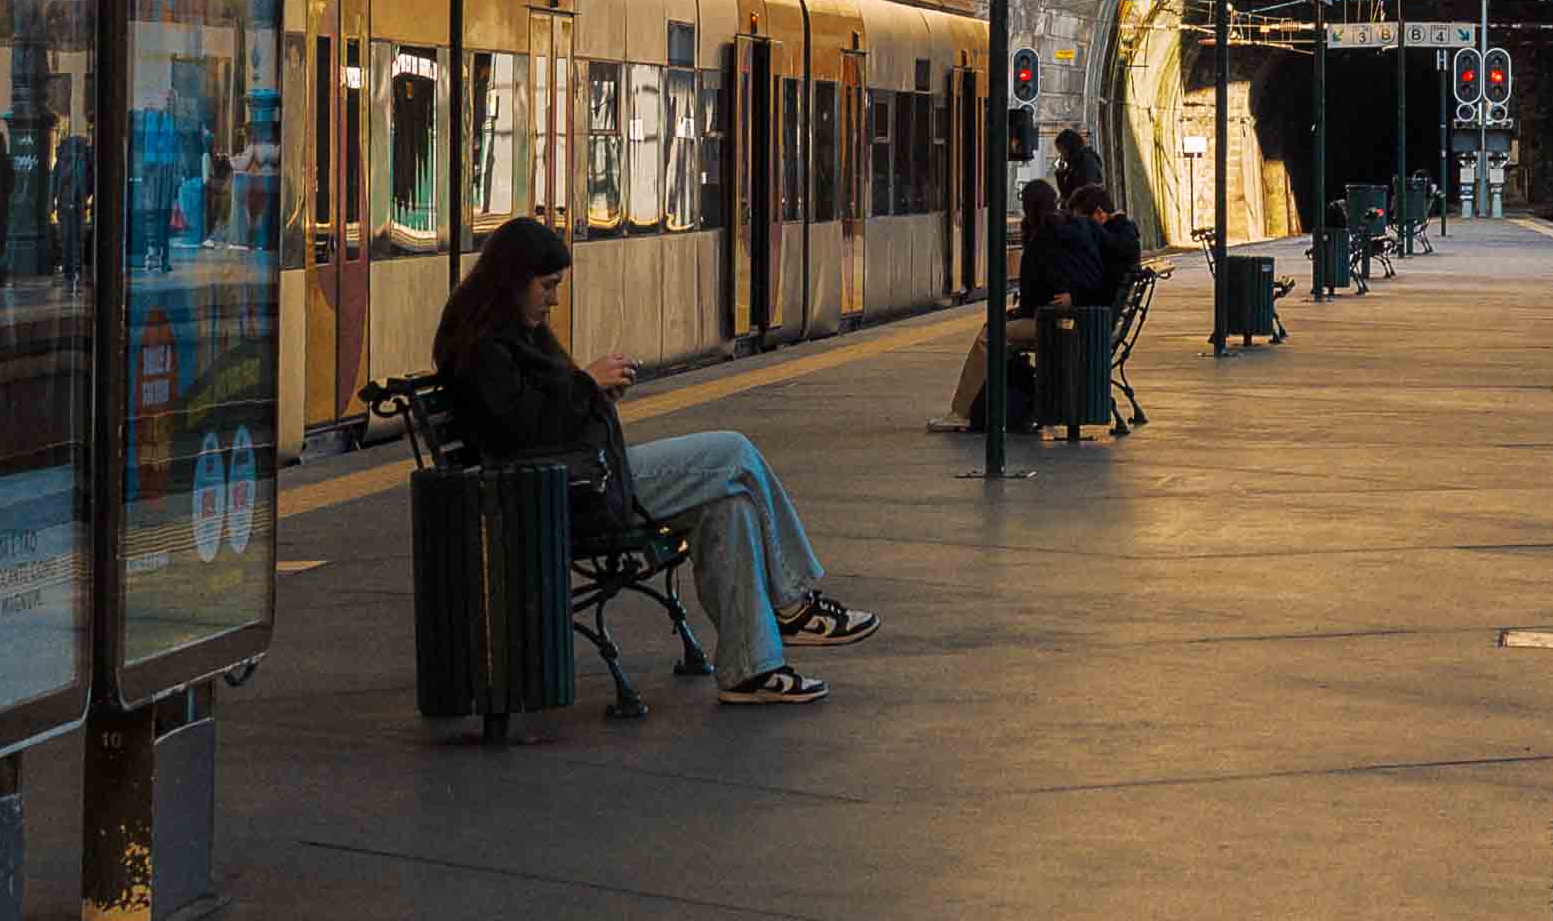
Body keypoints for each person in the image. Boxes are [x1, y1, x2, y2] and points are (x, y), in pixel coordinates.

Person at [436, 219, 876, 706]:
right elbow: (522, 430)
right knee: (733, 453)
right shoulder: (481, 346)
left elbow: (545, 415)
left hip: (579, 478)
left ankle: (751, 671)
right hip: (567, 492)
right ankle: (793, 604)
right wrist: (585, 384)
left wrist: (593, 393)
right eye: (547, 287)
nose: (553, 300)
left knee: (729, 506)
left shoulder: (509, 330)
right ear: (512, 279)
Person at [942, 176, 1099, 430]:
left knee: (989, 336)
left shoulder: (1044, 240)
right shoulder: (1076, 228)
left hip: (1055, 322)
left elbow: (1034, 292)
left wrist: (1023, 311)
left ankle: (960, 411)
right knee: (1001, 328)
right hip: (1083, 317)